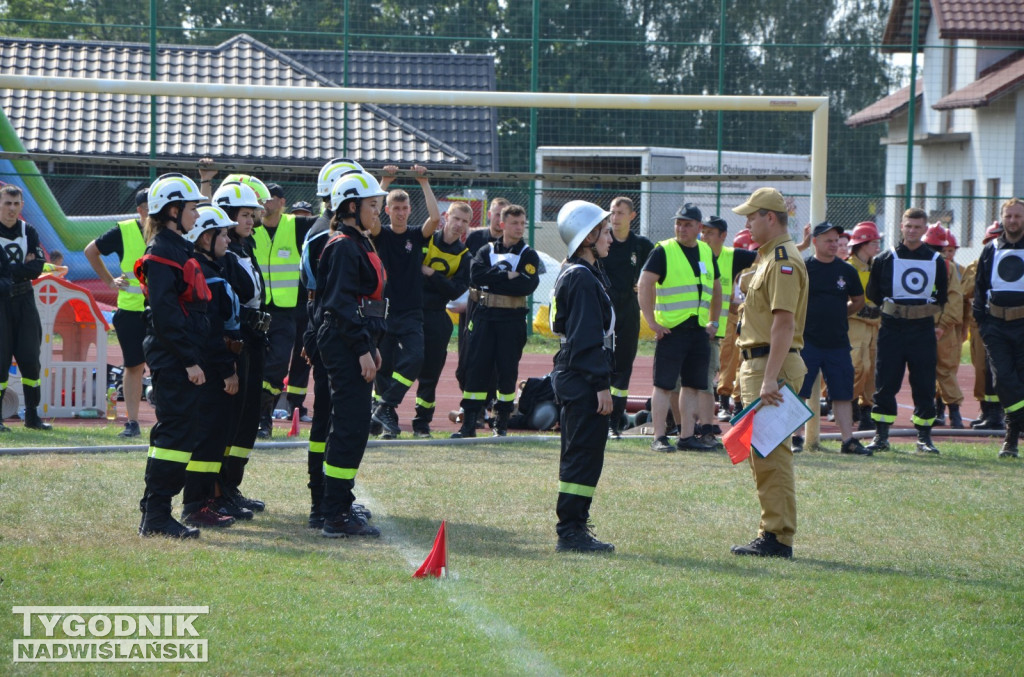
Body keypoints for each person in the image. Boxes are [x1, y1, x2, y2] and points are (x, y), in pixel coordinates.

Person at [729, 187, 808, 559]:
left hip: (770, 365)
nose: (747, 222)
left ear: (770, 218)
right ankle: (772, 531)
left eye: (752, 216)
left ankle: (777, 536)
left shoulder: (782, 260)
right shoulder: (767, 259)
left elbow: (784, 323)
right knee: (764, 455)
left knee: (772, 455)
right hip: (760, 364)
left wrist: (769, 378)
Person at [310, 171, 388, 538]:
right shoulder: (343, 245)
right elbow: (340, 304)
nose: (380, 212)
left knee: (353, 426)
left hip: (353, 341)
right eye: (374, 205)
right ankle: (335, 514)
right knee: (349, 426)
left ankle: (338, 502)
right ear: (353, 207)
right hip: (344, 343)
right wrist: (362, 349)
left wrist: (371, 346)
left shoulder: (357, 241)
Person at [135, 173, 206, 538]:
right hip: (174, 358)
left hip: (180, 355)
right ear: (174, 210)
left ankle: (156, 510)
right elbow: (165, 314)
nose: (196, 214)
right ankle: (158, 514)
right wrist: (189, 360)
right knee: (174, 436)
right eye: (192, 208)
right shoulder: (162, 252)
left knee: (177, 435)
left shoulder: (176, 246)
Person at [299, 157, 366, 528]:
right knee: (329, 419)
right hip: (333, 333)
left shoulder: (325, 230)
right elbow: (323, 294)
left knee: (329, 418)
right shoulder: (328, 235)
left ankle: (327, 499)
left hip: (324, 328)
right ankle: (323, 501)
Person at [550, 200, 616, 553]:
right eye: (604, 231)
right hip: (582, 380)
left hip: (577, 377)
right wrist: (601, 385)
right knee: (581, 455)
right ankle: (571, 530)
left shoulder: (583, 273)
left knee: (585, 454)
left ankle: (576, 524)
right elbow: (587, 338)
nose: (610, 236)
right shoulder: (580, 277)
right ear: (588, 236)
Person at [637, 203, 722, 453]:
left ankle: (686, 436)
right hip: (671, 330)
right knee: (663, 384)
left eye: (687, 224)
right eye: (678, 223)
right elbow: (644, 284)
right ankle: (660, 436)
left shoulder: (706, 251)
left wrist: (714, 321)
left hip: (698, 330)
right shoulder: (663, 251)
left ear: (698, 227)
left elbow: (717, 290)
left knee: (693, 385)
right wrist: (651, 321)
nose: (681, 228)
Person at [452, 204, 541, 438]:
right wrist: (507, 275)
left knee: (507, 370)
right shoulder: (486, 250)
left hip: (511, 319)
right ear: (502, 224)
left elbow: (527, 284)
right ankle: (469, 422)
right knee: (475, 368)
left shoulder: (528, 254)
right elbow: (476, 276)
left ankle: (500, 422)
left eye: (522, 223)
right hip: (484, 316)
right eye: (514, 223)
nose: (519, 228)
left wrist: (495, 279)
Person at [865, 208, 948, 454]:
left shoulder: (936, 261)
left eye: (917, 227)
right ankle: (881, 436)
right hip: (892, 327)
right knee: (885, 381)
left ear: (925, 230)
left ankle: (924, 437)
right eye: (908, 226)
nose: (912, 231)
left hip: (922, 329)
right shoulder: (884, 259)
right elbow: (873, 293)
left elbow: (941, 295)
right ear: (901, 226)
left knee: (924, 382)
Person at [180, 205, 242, 529]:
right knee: (207, 437)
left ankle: (204, 501)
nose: (228, 239)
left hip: (214, 366)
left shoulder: (211, 269)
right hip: (212, 370)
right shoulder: (204, 275)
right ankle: (195, 505)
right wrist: (227, 369)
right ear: (206, 237)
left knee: (214, 437)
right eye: (222, 233)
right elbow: (212, 332)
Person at [368, 165, 441, 438]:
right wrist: (384, 181)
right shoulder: (381, 234)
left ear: (410, 210)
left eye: (404, 208)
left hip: (411, 311)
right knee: (383, 367)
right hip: (383, 309)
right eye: (395, 208)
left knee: (415, 357)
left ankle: (385, 405)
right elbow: (370, 214)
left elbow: (434, 218)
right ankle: (388, 423)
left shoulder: (415, 234)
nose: (400, 212)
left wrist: (424, 182)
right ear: (387, 210)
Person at [212, 181, 269, 519]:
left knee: (248, 418)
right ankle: (218, 490)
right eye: (244, 214)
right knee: (231, 419)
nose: (250, 220)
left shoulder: (247, 247)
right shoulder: (224, 253)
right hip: (237, 343)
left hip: (255, 341)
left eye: (252, 214)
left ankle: (232, 487)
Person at [794, 221, 869, 455]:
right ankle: (795, 438)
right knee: (799, 390)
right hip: (807, 341)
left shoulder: (847, 270)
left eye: (836, 240)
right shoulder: (804, 267)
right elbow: (776, 263)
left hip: (837, 342)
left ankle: (848, 441)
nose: (834, 244)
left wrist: (840, 313)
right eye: (828, 240)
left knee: (842, 392)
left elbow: (858, 301)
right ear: (814, 242)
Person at [84, 186, 150, 438]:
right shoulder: (124, 230)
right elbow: (91, 251)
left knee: (168, 365)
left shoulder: (171, 230)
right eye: (148, 208)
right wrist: (110, 281)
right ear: (140, 210)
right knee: (134, 366)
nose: (153, 212)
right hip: (132, 311)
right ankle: (132, 422)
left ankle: (170, 419)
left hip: (164, 311)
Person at [411, 202, 471, 437]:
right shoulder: (425, 239)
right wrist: (440, 283)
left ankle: (422, 422)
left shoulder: (465, 256)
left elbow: (456, 291)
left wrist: (431, 274)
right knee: (396, 365)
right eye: (456, 218)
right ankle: (384, 414)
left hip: (437, 316)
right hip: (410, 312)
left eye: (465, 221)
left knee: (430, 372)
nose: (459, 225)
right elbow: (410, 268)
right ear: (445, 217)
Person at [697, 215, 757, 447]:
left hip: (720, 326)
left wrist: (801, 246)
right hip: (695, 328)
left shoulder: (732, 256)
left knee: (726, 366)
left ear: (723, 236)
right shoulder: (695, 253)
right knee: (697, 378)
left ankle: (717, 414)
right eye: (704, 232)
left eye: (710, 232)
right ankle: (692, 423)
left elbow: (765, 257)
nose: (705, 236)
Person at [973, 198, 1024, 458]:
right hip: (996, 326)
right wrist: (983, 324)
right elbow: (979, 289)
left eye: (1018, 216)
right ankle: (1019, 422)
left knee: (1020, 381)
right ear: (1002, 219)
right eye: (1009, 216)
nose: (1013, 221)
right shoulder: (991, 249)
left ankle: (1011, 441)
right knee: (1002, 379)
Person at [453, 197, 509, 424]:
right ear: (489, 215)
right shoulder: (476, 238)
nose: (499, 219)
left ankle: (486, 407)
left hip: (499, 313)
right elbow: (468, 270)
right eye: (496, 214)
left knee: (495, 362)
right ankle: (471, 406)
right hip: (474, 308)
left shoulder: (513, 243)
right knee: (467, 359)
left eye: (503, 215)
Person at [0, 184, 50, 431]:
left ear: (22, 205)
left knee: (31, 359)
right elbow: (27, 268)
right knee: (0, 360)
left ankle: (32, 416)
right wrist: (21, 269)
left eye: (16, 203)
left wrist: (8, 271)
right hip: (1, 302)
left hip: (24, 300)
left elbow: (37, 267)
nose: (11, 208)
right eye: (7, 203)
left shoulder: (28, 231)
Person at [603, 196, 654, 438]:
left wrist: (644, 285)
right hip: (604, 312)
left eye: (621, 213)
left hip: (629, 313)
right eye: (613, 212)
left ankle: (615, 423)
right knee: (601, 366)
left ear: (632, 216)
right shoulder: (601, 240)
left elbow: (657, 273)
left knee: (622, 369)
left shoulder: (641, 245)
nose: (615, 217)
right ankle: (598, 420)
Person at [963, 222, 1004, 430]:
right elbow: (967, 292)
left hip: (1007, 322)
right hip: (982, 324)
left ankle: (1003, 412)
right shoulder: (975, 264)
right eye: (991, 240)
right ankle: (986, 409)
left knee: (1006, 368)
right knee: (982, 368)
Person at [925, 225, 965, 428]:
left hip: (943, 329)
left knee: (946, 370)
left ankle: (954, 414)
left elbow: (955, 300)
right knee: (923, 371)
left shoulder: (947, 268)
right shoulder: (916, 264)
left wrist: (942, 325)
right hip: (921, 327)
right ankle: (928, 411)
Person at [717, 228, 758, 420]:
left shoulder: (757, 270)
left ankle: (739, 402)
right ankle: (724, 401)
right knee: (728, 360)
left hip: (749, 321)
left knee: (744, 362)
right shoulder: (732, 267)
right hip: (731, 319)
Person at [845, 221, 883, 431]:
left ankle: (866, 410)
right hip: (855, 324)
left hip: (875, 325)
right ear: (862, 244)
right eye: (873, 242)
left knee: (873, 370)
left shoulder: (876, 267)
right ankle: (849, 404)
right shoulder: (848, 267)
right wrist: (861, 309)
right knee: (859, 366)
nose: (877, 246)